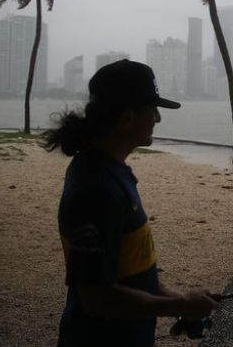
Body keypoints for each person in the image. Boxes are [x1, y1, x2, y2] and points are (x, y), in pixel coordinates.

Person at [42, 59, 218, 347]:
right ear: (127, 118)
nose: (158, 118)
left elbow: (133, 272)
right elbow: (96, 298)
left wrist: (181, 302)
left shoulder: (110, 170)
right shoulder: (96, 189)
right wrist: (179, 305)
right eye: (153, 109)